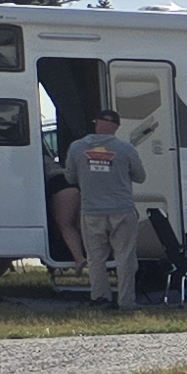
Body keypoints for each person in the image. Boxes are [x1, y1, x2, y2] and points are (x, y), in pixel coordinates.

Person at [66, 108, 150, 309]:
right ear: (116, 127)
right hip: (122, 210)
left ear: (97, 123)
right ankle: (127, 302)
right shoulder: (126, 149)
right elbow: (140, 176)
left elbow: (70, 178)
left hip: (92, 211)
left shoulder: (77, 148)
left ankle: (100, 298)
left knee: (95, 258)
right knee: (125, 258)